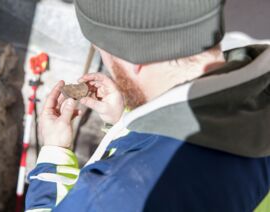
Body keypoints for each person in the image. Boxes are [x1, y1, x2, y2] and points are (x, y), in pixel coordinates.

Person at [26, 0, 270, 211]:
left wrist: (54, 150)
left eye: (104, 54)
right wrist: (123, 120)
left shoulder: (110, 198)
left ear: (133, 59)